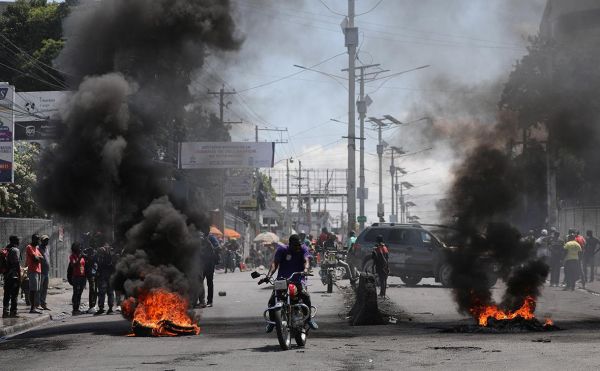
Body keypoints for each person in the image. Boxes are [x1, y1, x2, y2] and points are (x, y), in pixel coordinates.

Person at [260, 234, 317, 333]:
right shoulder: (282, 250)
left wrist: (306, 269)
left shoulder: (303, 249)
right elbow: (275, 264)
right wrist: (268, 276)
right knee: (272, 300)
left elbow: (306, 261)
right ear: (289, 244)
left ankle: (309, 319)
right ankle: (273, 321)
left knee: (305, 296)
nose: (297, 247)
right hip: (282, 280)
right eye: (295, 245)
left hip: (298, 280)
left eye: (299, 245)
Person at [2, 236, 21, 318]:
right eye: (18, 240)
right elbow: (17, 264)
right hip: (14, 276)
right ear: (15, 241)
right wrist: (20, 276)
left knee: (6, 294)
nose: (19, 241)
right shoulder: (15, 250)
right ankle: (13, 312)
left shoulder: (6, 249)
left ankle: (5, 312)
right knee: (14, 295)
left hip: (6, 275)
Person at [198, 233, 218, 308]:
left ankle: (209, 301)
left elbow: (218, 248)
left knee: (209, 282)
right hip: (201, 264)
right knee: (199, 282)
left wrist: (209, 244)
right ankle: (201, 301)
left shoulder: (211, 238)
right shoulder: (198, 237)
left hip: (210, 263)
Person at [95, 242, 115, 315]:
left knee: (108, 292)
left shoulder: (111, 255)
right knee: (102, 292)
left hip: (107, 275)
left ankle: (109, 308)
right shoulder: (101, 255)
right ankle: (102, 308)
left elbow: (111, 264)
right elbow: (98, 263)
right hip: (104, 275)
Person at [25, 234, 43, 314]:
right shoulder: (29, 247)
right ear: (33, 239)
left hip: (38, 270)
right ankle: (32, 308)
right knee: (33, 290)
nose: (38, 241)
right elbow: (35, 259)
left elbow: (41, 257)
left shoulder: (36, 248)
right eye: (37, 239)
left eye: (38, 239)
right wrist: (38, 257)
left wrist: (38, 257)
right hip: (32, 270)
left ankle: (34, 307)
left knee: (36, 290)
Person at [69, 243, 86, 315]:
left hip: (82, 276)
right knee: (76, 292)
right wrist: (79, 258)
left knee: (80, 293)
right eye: (78, 248)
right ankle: (74, 309)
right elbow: (73, 265)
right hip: (76, 277)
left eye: (80, 247)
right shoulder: (72, 256)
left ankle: (77, 309)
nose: (80, 249)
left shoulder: (82, 256)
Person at [83, 241, 98, 313]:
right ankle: (91, 306)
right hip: (90, 273)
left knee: (95, 290)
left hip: (95, 273)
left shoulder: (96, 252)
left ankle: (93, 305)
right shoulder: (87, 251)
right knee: (92, 289)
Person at [38, 235, 51, 311]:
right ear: (41, 241)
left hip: (46, 272)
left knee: (45, 288)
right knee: (39, 288)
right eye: (45, 240)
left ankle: (43, 303)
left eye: (47, 240)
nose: (46, 241)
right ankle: (38, 304)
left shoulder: (47, 248)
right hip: (41, 271)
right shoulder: (38, 248)